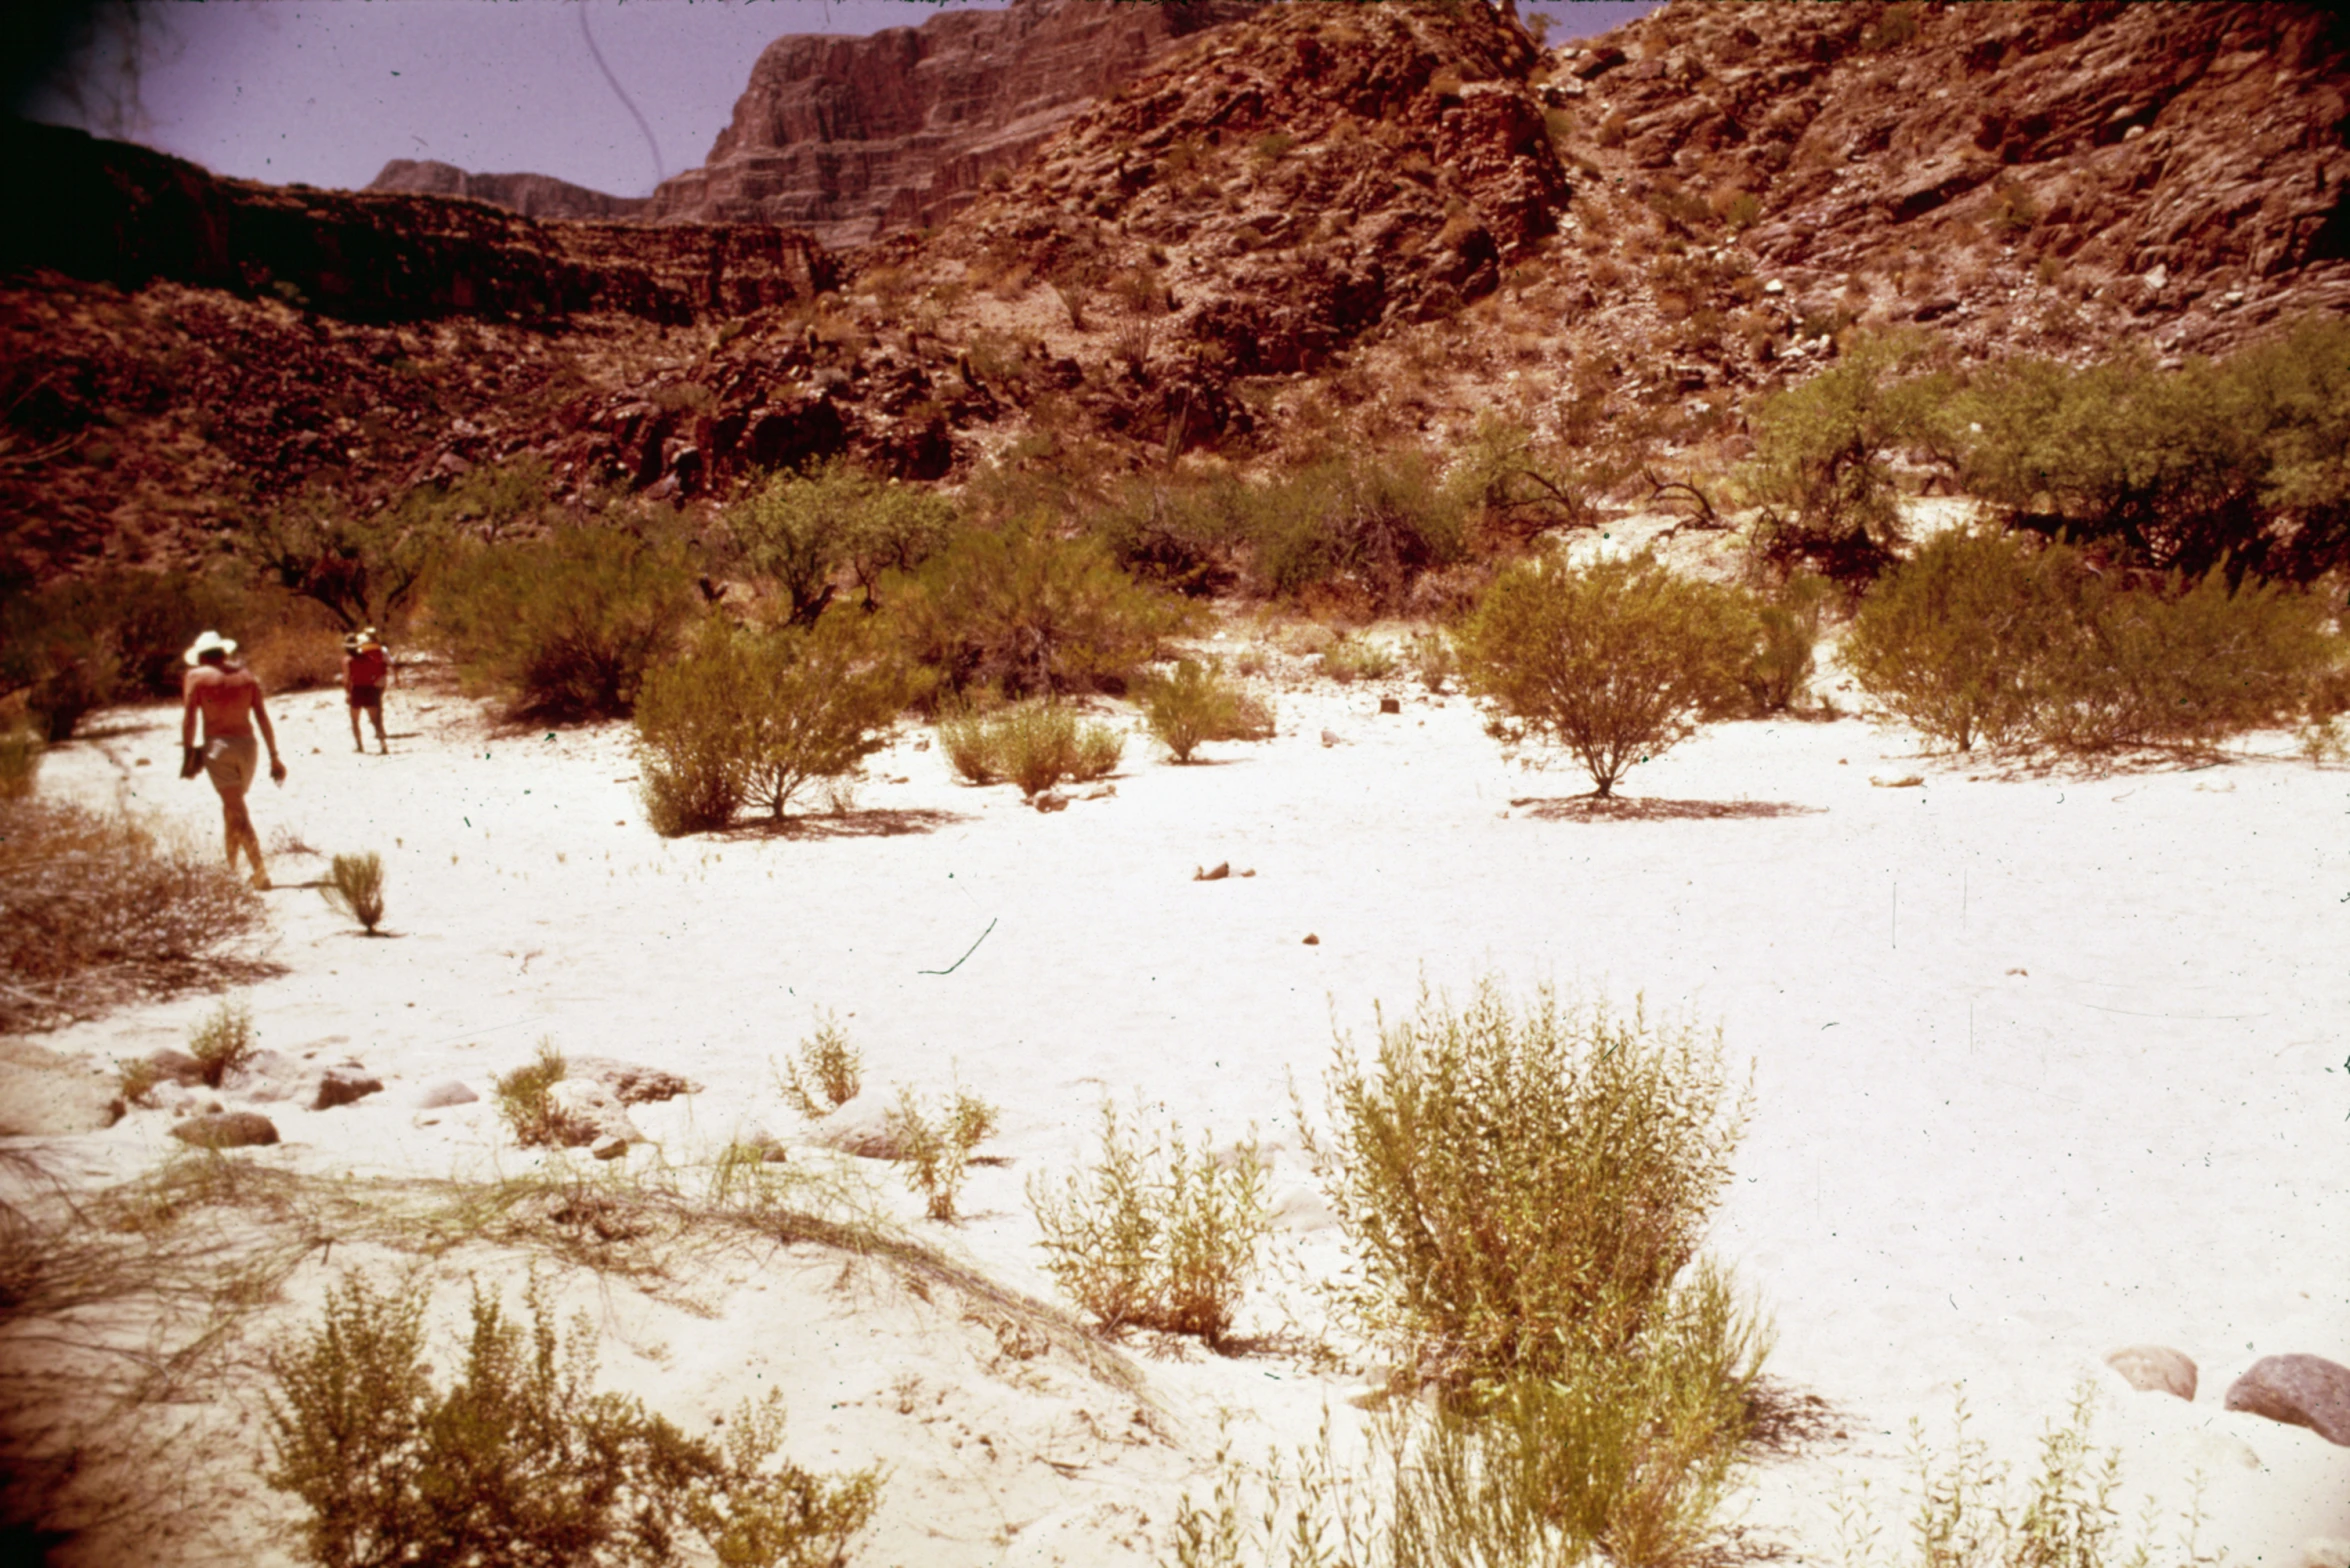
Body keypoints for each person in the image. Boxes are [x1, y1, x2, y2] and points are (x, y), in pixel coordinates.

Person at [180, 630, 286, 889]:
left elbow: (190, 717)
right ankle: (229, 869)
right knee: (232, 807)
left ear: (201, 657)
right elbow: (262, 716)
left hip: (218, 747)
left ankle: (260, 872)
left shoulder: (195, 676)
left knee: (237, 809)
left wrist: (188, 751)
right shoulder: (246, 677)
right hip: (249, 747)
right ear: (224, 653)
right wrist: (274, 756)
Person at [342, 626, 392, 754]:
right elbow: (377, 672)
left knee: (355, 720)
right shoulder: (368, 658)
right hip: (370, 689)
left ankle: (359, 746)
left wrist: (347, 693)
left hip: (356, 690)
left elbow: (346, 679)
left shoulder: (348, 661)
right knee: (375, 720)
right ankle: (383, 745)